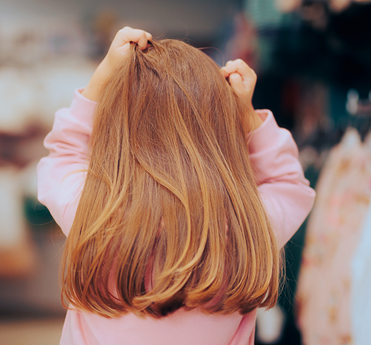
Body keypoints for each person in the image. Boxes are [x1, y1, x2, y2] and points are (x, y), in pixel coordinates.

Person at [37, 27, 315, 345]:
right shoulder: (245, 227)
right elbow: (288, 182)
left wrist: (103, 76)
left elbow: (64, 154)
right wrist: (247, 115)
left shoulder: (94, 212)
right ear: (223, 131)